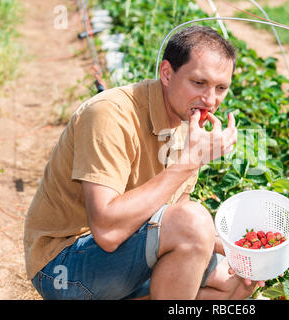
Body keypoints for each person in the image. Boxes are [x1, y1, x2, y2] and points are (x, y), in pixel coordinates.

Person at [24, 25, 265, 300]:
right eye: (198, 83)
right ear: (166, 73)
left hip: (127, 254)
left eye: (221, 88)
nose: (210, 100)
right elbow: (106, 232)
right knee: (194, 222)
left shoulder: (188, 125)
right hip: (65, 267)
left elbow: (173, 218)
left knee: (237, 281)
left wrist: (238, 251)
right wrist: (190, 162)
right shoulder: (109, 114)